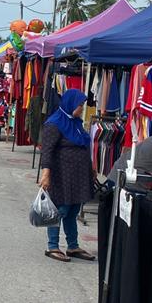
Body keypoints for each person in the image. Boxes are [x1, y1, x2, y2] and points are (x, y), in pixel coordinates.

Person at [38, 89, 97, 262]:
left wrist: (91, 168)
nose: (81, 109)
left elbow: (84, 146)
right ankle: (53, 246)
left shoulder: (76, 123)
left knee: (72, 210)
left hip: (77, 175)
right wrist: (46, 173)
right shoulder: (54, 123)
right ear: (70, 104)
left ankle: (72, 246)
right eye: (80, 105)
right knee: (59, 209)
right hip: (61, 175)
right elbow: (47, 151)